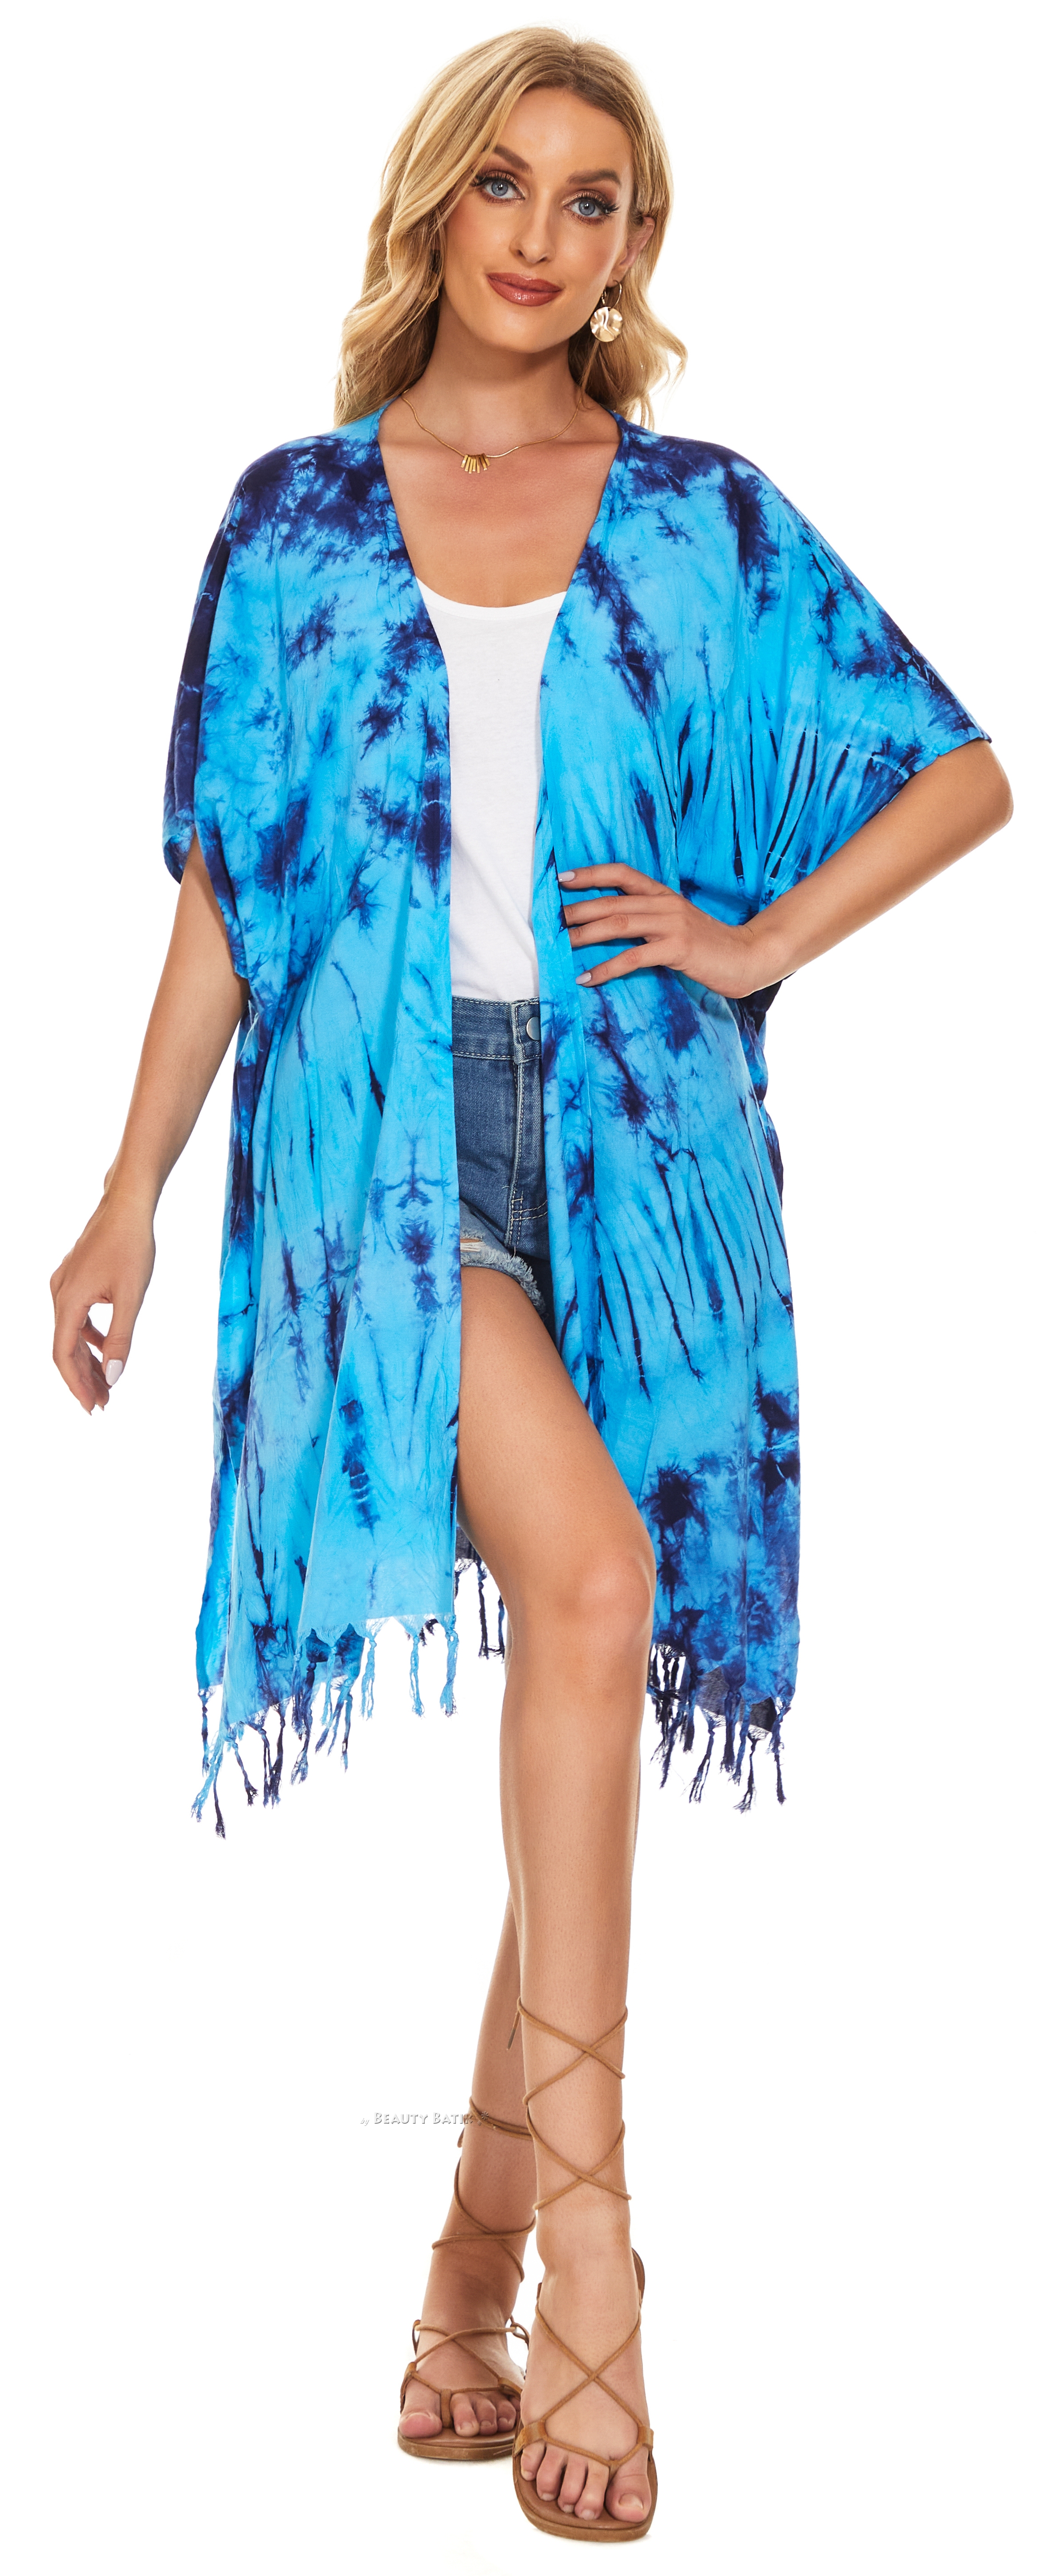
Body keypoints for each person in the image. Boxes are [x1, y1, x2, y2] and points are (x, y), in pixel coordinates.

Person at [49, 27, 1012, 2544]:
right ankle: (600, 2269)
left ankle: (462, 2282)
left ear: (633, 248)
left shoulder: (701, 513)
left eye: (598, 200)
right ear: (435, 207)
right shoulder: (291, 519)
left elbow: (959, 767)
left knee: (585, 1684)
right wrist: (128, 1191)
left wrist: (757, 939)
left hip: (651, 1159)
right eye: (507, 183)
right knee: (591, 1591)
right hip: (384, 1164)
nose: (546, 235)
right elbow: (231, 888)